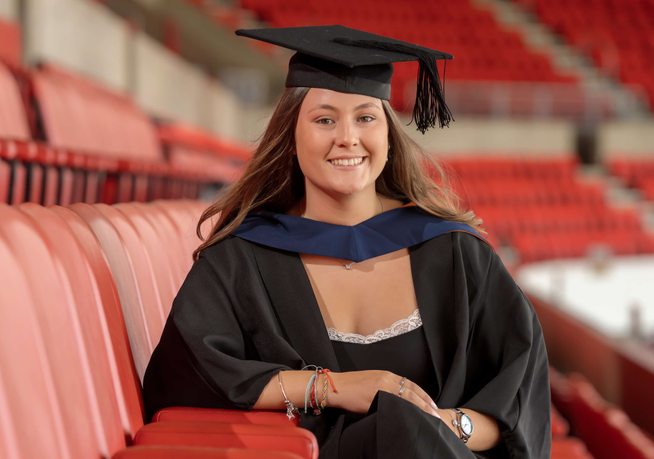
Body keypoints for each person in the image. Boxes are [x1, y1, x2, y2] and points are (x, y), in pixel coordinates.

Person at [142, 25, 551, 459]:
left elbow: (519, 402)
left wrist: (444, 426)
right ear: (290, 140)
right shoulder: (241, 260)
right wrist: (335, 389)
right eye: (324, 119)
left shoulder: (454, 253)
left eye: (366, 117)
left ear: (388, 137)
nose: (348, 137)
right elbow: (188, 377)